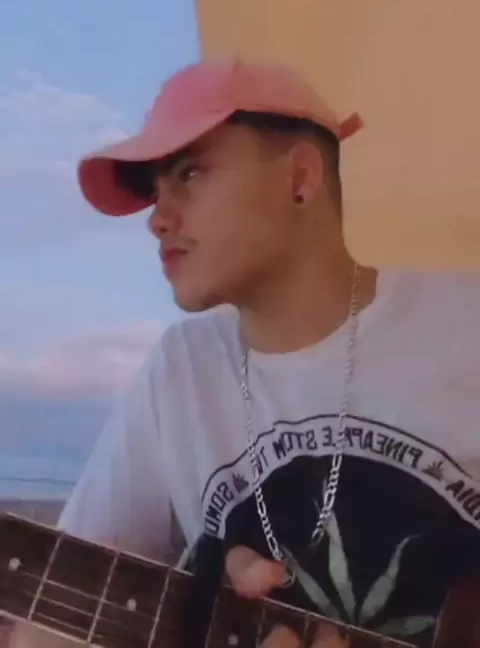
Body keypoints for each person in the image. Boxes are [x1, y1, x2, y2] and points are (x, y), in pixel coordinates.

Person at [9, 59, 480, 648]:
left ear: (300, 178)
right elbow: (47, 627)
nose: (158, 219)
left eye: (189, 173)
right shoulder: (182, 371)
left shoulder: (464, 327)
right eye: (154, 191)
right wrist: (185, 606)